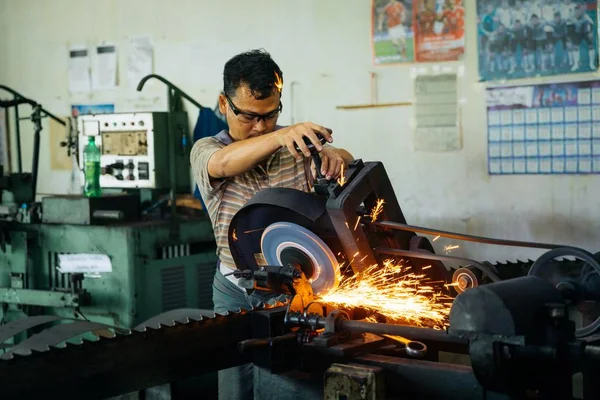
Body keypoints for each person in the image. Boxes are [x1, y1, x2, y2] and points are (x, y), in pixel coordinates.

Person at [190, 49, 353, 400]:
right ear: (223, 103)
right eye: (249, 116)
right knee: (235, 389)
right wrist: (281, 134)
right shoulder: (207, 149)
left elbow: (348, 163)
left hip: (291, 294)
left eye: (270, 115)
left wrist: (338, 157)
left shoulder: (297, 146)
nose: (261, 126)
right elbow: (221, 165)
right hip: (234, 291)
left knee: (286, 386)